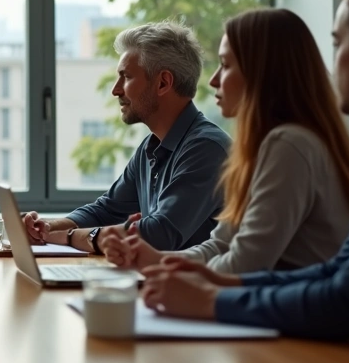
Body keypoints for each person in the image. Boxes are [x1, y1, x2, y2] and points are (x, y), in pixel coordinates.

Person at [140, 0, 349, 351]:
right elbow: (335, 271)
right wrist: (187, 272)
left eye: (338, 44)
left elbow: (348, 296)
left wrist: (210, 297)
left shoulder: (289, 144)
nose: (213, 81)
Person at [102, 9, 349, 274]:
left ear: (262, 74)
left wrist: (168, 273)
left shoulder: (289, 144)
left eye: (225, 66)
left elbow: (245, 264)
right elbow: (220, 246)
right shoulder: (264, 147)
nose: (214, 79)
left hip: (304, 313)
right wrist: (148, 258)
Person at [21, 21, 230, 253]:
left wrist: (71, 237)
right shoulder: (151, 147)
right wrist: (47, 228)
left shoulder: (206, 149)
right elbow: (107, 210)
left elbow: (159, 234)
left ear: (163, 83)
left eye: (126, 77)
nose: (116, 90)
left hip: (195, 288)